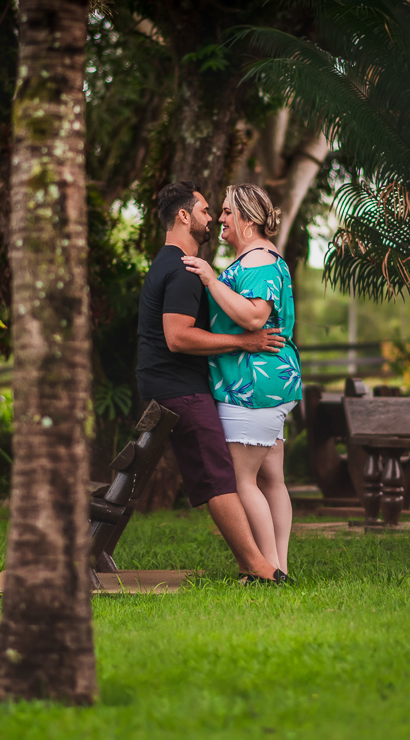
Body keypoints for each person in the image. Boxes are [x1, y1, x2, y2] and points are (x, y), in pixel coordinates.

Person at [136, 180, 289, 583]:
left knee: (224, 474)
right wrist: (245, 342)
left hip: (175, 383)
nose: (213, 218)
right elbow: (177, 337)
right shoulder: (184, 270)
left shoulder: (173, 263)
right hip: (180, 387)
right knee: (220, 476)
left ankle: (257, 564)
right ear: (183, 216)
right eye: (206, 210)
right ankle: (258, 566)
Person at [182, 184, 302, 577]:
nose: (220, 219)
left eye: (227, 212)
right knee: (271, 479)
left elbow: (254, 317)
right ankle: (280, 567)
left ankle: (267, 569)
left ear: (247, 219)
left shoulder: (259, 260)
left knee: (241, 479)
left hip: (251, 385)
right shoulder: (263, 256)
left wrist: (211, 280)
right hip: (269, 381)